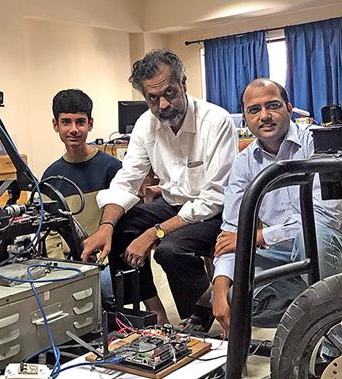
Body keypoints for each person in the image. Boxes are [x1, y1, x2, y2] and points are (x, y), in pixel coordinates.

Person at [81, 49, 237, 327]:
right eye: (153, 98)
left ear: (183, 84)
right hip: (174, 203)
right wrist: (105, 226)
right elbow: (127, 180)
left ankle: (198, 317)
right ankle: (152, 314)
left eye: (169, 93)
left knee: (170, 249)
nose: (163, 104)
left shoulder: (216, 121)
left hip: (216, 212)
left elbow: (213, 198)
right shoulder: (146, 125)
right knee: (121, 229)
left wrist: (156, 232)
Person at [212, 78, 342, 334]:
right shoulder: (244, 163)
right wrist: (220, 292)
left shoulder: (315, 142)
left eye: (273, 106)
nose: (264, 116)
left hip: (334, 248)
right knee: (237, 298)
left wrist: (258, 236)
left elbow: (325, 219)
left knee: (311, 239)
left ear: (290, 109)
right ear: (245, 118)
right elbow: (230, 233)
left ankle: (340, 347)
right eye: (254, 110)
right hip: (282, 256)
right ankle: (319, 314)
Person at [41, 89, 122, 297]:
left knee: (103, 286)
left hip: (107, 259)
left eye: (80, 122)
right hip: (69, 263)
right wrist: (58, 269)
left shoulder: (112, 168)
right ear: (55, 125)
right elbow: (49, 233)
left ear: (90, 124)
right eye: (66, 122)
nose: (74, 129)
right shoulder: (51, 177)